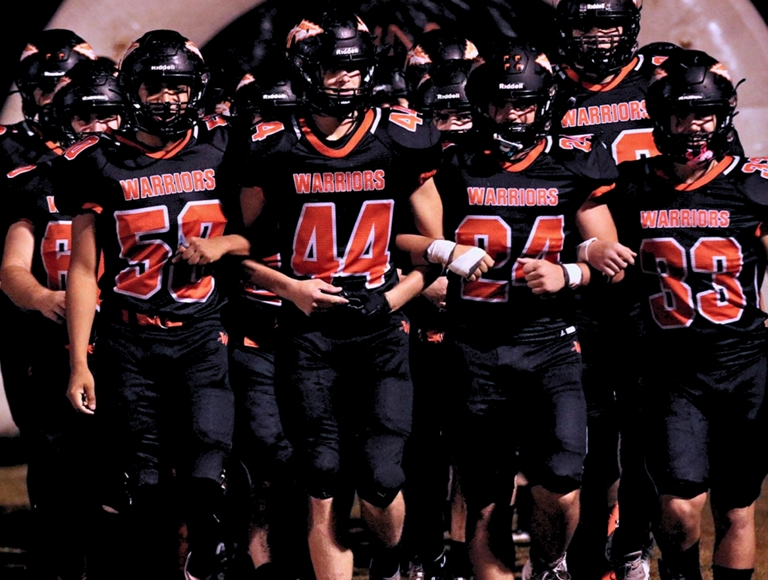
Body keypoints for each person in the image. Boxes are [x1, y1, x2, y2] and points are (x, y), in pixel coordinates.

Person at [239, 9, 488, 580]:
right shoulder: (273, 144)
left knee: (381, 477)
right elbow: (241, 253)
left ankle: (392, 563)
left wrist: (390, 301)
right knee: (322, 474)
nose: (345, 79)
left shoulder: (401, 136)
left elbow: (435, 250)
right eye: (332, 67)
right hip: (309, 331)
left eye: (353, 67)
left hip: (379, 332)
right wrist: (290, 289)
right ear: (306, 70)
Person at [412, 39, 630, 580]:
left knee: (561, 481)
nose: (513, 115)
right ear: (482, 106)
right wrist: (443, 252)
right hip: (475, 347)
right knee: (486, 493)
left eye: (525, 104)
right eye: (502, 105)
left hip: (550, 343)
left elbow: (611, 260)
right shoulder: (451, 165)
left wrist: (570, 272)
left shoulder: (573, 161)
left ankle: (551, 562)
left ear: (544, 102)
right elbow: (401, 238)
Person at [56, 29, 248, 580]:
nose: (168, 99)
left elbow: (261, 235)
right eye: (155, 87)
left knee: (209, 466)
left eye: (179, 87)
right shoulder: (96, 161)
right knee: (144, 481)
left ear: (198, 90)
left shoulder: (223, 145)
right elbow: (83, 269)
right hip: (131, 337)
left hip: (202, 328)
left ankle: (210, 557)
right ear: (132, 90)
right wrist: (78, 362)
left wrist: (222, 246)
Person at [578, 49, 768, 580]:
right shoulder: (632, 183)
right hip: (670, 369)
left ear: (722, 117)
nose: (693, 127)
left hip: (743, 364)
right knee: (681, 504)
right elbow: (580, 208)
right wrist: (593, 248)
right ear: (659, 121)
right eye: (682, 115)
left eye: (704, 115)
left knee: (736, 508)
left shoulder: (752, 185)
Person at [553, 2, 673, 576]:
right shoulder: (549, 88)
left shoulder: (662, 77)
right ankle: (584, 553)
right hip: (581, 282)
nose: (596, 38)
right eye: (584, 25)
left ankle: (633, 543)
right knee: (591, 434)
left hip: (657, 278)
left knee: (649, 432)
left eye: (607, 24)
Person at [0, 53, 119, 580]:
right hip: (49, 343)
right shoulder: (34, 179)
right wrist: (49, 299)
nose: (100, 128)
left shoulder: (153, 172)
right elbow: (13, 269)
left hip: (130, 342)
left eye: (109, 114)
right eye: (85, 117)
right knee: (56, 466)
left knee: (130, 472)